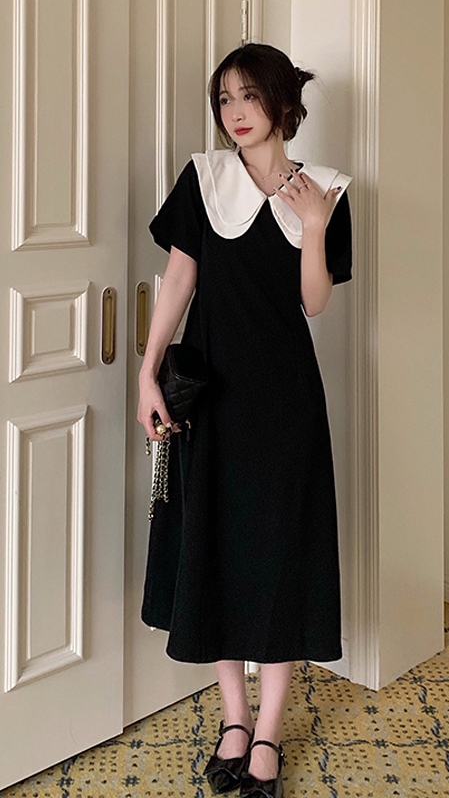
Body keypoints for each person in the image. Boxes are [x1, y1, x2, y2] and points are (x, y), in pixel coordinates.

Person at [137, 42, 352, 798]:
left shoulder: (325, 190)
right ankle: (234, 719)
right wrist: (147, 372)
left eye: (249, 95)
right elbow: (178, 280)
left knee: (279, 551)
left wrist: (315, 224)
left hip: (285, 401)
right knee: (216, 546)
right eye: (224, 97)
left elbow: (313, 304)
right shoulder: (203, 178)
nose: (235, 111)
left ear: (284, 101)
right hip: (210, 398)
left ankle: (269, 729)